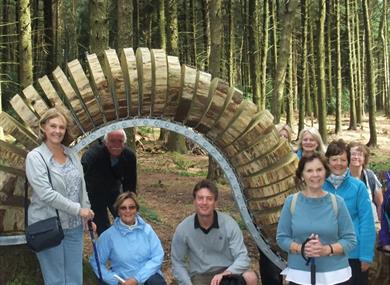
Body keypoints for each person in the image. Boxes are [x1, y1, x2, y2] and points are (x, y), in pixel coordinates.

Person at [25, 108, 95, 285]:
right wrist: (79, 210)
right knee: (55, 280)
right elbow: (47, 194)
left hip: (74, 227)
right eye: (53, 126)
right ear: (43, 127)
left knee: (74, 278)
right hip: (49, 226)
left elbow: (82, 186)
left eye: (61, 127)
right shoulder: (35, 158)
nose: (57, 131)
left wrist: (86, 215)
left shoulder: (71, 154)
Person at [276, 152, 357, 285]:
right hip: (300, 275)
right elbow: (282, 238)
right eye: (309, 170)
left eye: (319, 169)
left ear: (325, 172)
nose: (315, 175)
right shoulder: (291, 202)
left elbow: (350, 239)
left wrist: (326, 250)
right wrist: (301, 248)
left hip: (335, 276)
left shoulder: (337, 203)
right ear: (302, 175)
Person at [171, 179, 258, 285]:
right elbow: (177, 262)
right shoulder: (183, 229)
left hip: (227, 274)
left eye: (209, 199)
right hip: (200, 276)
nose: (204, 202)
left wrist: (226, 273)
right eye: (200, 198)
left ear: (215, 202)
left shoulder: (229, 224)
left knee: (250, 277)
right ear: (194, 201)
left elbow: (242, 257)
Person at [323, 139, 375, 285]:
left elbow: (367, 222)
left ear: (348, 161)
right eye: (334, 159)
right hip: (326, 254)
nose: (338, 163)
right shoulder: (319, 186)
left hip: (354, 254)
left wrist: (366, 255)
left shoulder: (358, 187)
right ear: (328, 161)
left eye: (343, 159)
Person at [89, 192, 166, 285]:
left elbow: (158, 256)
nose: (128, 211)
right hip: (123, 281)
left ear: (137, 210)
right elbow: (96, 261)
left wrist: (137, 279)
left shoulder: (147, 230)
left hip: (148, 278)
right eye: (123, 208)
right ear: (118, 211)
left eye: (132, 207)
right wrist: (115, 280)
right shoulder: (108, 235)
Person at [82, 129, 137, 235]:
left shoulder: (129, 156)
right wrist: (85, 204)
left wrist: (131, 203)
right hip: (95, 192)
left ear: (124, 143)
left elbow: (130, 183)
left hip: (114, 189)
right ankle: (107, 246)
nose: (116, 145)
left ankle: (127, 241)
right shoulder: (92, 155)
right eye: (112, 141)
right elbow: (84, 181)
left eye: (120, 141)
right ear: (105, 142)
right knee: (102, 225)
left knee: (126, 217)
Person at [348, 142, 383, 231]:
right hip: (348, 227)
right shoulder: (341, 177)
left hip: (370, 225)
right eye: (353, 154)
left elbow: (380, 203)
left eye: (360, 155)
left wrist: (382, 226)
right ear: (348, 156)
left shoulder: (370, 176)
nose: (356, 157)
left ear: (364, 159)